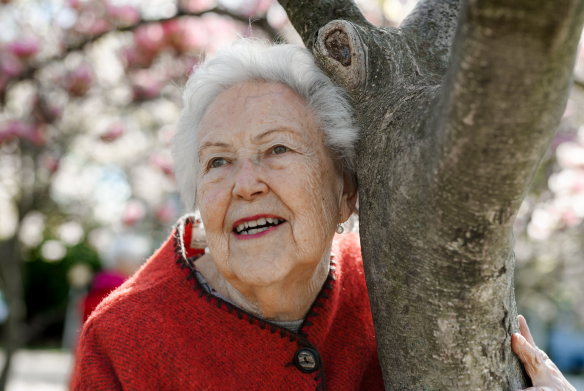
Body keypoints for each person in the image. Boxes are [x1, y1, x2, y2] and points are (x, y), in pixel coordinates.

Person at [72, 39, 575, 391]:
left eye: (277, 149)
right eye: (218, 161)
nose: (245, 184)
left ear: (347, 192)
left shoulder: (393, 282)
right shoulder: (123, 340)